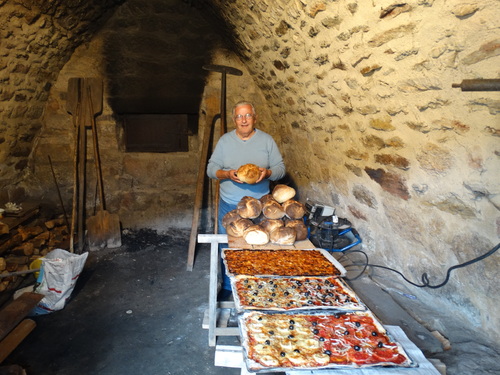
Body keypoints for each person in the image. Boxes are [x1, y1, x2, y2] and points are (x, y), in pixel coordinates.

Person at [207, 101, 286, 299]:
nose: (244, 120)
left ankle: (257, 289)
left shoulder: (266, 141)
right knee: (229, 249)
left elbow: (281, 168)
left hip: (260, 207)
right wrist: (226, 174)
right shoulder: (225, 141)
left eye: (248, 116)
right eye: (239, 117)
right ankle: (228, 289)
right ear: (234, 120)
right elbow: (210, 169)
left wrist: (267, 172)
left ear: (255, 118)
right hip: (230, 205)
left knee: (258, 246)